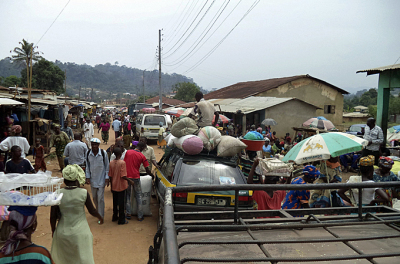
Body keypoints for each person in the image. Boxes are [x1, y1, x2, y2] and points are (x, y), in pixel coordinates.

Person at [50, 164, 103, 264]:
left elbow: (53, 216)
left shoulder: (57, 194)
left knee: (62, 260)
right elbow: (92, 211)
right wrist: (100, 217)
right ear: (77, 178)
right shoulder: (83, 193)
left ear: (64, 180)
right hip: (81, 233)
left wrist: (54, 230)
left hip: (63, 232)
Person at [124, 142, 154, 221]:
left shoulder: (128, 152)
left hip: (127, 177)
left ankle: (128, 213)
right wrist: (151, 175)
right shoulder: (142, 156)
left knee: (128, 195)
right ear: (143, 148)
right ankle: (140, 215)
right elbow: (147, 169)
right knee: (139, 196)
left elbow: (124, 163)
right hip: (136, 177)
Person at [85, 138, 110, 219]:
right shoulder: (88, 153)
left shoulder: (103, 153)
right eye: (93, 144)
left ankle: (100, 215)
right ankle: (97, 210)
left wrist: (107, 177)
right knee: (95, 197)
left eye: (96, 144)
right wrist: (87, 177)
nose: (94, 146)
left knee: (100, 198)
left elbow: (107, 166)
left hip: (101, 179)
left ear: (98, 145)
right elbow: (87, 166)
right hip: (93, 179)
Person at [109, 147, 133, 225]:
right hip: (121, 186)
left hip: (114, 185)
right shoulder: (122, 163)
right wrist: (130, 181)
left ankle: (115, 216)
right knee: (121, 203)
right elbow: (123, 176)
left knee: (115, 202)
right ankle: (121, 220)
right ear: (121, 154)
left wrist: (111, 185)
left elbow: (110, 175)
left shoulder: (111, 162)